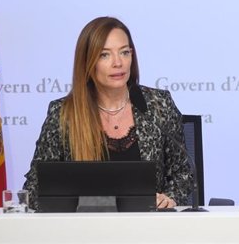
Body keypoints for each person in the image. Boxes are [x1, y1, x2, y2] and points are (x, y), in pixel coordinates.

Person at [23, 16, 192, 210]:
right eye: (105, 55)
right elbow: (35, 188)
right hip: (85, 230)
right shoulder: (64, 114)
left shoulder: (158, 104)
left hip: (148, 228)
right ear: (87, 62)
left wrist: (168, 197)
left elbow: (184, 174)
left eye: (125, 52)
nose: (118, 63)